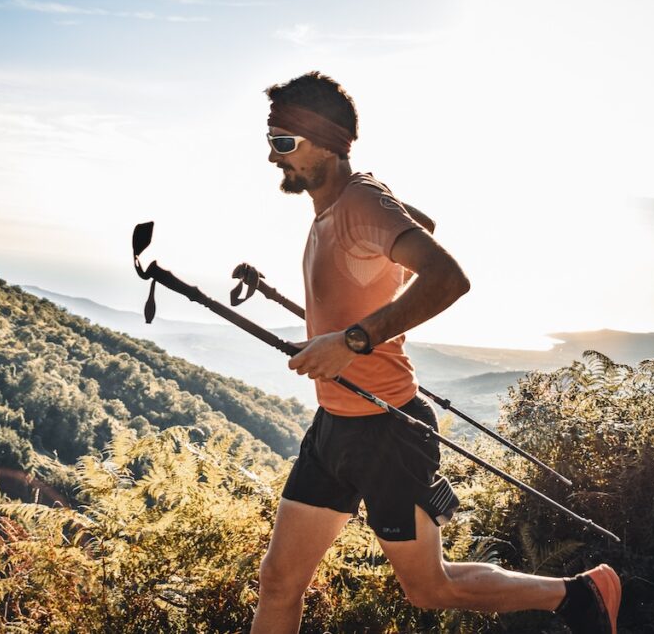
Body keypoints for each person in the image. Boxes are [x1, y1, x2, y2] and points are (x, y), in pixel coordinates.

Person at [250, 71, 621, 634]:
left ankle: (578, 595)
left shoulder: (359, 204)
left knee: (428, 587)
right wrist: (344, 332)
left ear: (325, 141)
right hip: (333, 428)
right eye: (269, 141)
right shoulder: (338, 209)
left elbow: (448, 277)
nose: (274, 157)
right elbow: (418, 227)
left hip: (387, 431)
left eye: (283, 142)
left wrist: (354, 341)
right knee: (278, 582)